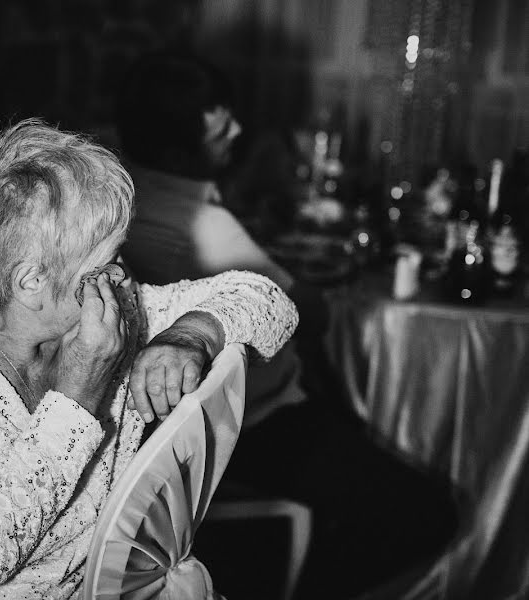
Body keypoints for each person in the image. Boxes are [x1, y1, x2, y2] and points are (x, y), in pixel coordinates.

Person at [0, 119, 298, 599]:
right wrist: (79, 394)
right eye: (107, 262)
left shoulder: (104, 308)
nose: (123, 276)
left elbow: (267, 298)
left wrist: (192, 333)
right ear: (31, 282)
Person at [116, 51, 459, 599]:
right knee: (427, 510)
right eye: (220, 118)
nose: (238, 128)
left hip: (184, 426)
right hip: (256, 423)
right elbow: (305, 311)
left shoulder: (119, 193)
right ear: (179, 138)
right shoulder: (204, 224)